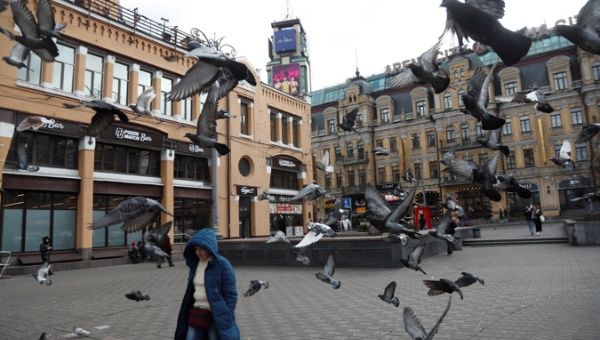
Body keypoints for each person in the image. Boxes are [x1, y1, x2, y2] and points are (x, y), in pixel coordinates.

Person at [175, 228, 240, 340]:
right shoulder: (195, 265)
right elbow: (192, 290)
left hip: (216, 315)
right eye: (196, 249)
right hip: (197, 313)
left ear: (210, 248)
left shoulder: (222, 264)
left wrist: (226, 313)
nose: (198, 252)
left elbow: (231, 294)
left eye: (202, 249)